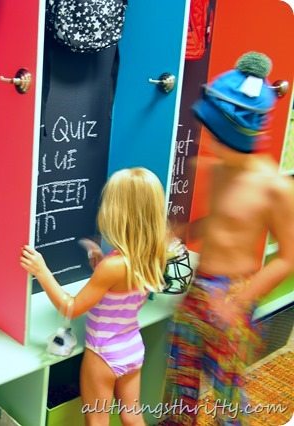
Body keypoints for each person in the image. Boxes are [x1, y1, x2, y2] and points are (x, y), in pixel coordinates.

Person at [160, 52, 294, 425]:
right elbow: (223, 220)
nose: (207, 141)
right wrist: (186, 231)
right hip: (198, 289)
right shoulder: (219, 169)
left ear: (240, 134)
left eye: (215, 135)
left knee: (227, 395)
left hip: (234, 296)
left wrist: (239, 302)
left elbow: (288, 257)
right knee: (180, 382)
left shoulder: (274, 187)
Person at [20, 167, 168, 426]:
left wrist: (41, 271)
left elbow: (71, 308)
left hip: (103, 355)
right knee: (132, 417)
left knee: (97, 422)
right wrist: (100, 266)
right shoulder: (151, 255)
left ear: (117, 213)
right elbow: (122, 289)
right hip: (132, 347)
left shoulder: (113, 266)